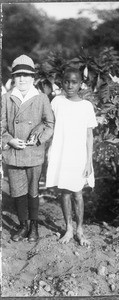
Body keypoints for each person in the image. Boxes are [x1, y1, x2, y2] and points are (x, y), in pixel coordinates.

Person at [2, 54, 54, 242]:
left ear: (33, 78)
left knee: (33, 190)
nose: (22, 79)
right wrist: (9, 140)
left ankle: (34, 226)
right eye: (18, 75)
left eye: (26, 75)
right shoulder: (7, 98)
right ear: (13, 78)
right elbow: (0, 126)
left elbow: (50, 123)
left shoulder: (41, 98)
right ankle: (23, 225)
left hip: (33, 152)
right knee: (17, 190)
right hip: (14, 152)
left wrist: (39, 138)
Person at [46, 67, 97, 246]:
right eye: (66, 81)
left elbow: (89, 135)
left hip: (78, 155)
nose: (69, 85)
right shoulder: (57, 101)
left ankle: (80, 230)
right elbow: (49, 125)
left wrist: (89, 162)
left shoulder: (86, 106)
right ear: (62, 82)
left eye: (74, 82)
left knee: (77, 193)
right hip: (61, 153)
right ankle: (68, 228)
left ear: (81, 84)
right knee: (64, 192)